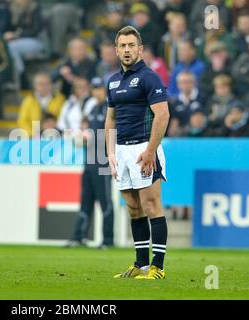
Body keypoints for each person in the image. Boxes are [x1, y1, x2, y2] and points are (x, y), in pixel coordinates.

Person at [106, 26, 170, 280]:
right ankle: (141, 265)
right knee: (133, 207)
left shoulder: (149, 77)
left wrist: (150, 150)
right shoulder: (112, 81)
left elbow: (162, 114)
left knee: (151, 204)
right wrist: (110, 153)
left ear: (140, 49)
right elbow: (110, 118)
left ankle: (158, 267)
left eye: (131, 45)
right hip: (121, 151)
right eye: (122, 45)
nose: (127, 50)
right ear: (116, 50)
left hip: (144, 147)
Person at [66, 77, 114, 250]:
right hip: (89, 162)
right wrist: (82, 138)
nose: (97, 92)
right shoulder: (93, 108)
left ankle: (108, 240)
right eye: (94, 89)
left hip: (103, 163)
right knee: (85, 201)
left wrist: (94, 137)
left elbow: (113, 134)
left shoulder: (110, 108)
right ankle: (78, 237)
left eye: (99, 88)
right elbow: (89, 132)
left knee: (105, 202)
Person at [17, 72, 65, 137]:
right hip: (33, 137)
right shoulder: (28, 101)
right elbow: (22, 121)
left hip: (55, 136)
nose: (44, 87)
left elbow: (63, 118)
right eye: (41, 84)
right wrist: (33, 134)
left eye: (47, 84)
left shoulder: (60, 99)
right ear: (35, 86)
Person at [168, 71, 204, 137]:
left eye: (188, 82)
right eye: (182, 82)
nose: (185, 85)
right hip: (183, 138)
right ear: (178, 84)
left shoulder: (203, 97)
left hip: (202, 137)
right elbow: (173, 126)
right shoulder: (175, 102)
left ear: (194, 82)